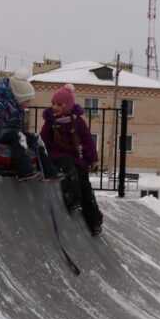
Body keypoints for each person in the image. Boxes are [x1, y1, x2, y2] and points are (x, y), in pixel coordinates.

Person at [41, 84, 104, 236]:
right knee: (69, 169)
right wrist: (41, 157)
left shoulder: (77, 122)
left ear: (68, 105)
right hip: (57, 157)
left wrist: (92, 159)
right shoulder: (50, 122)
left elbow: (88, 140)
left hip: (76, 158)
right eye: (53, 104)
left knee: (84, 182)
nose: (55, 107)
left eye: (59, 104)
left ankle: (94, 220)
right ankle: (73, 199)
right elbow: (43, 140)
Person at [0, 77, 57, 181]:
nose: (28, 104)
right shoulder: (1, 105)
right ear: (19, 98)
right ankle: (25, 172)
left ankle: (49, 172)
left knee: (36, 137)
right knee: (19, 136)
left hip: (11, 134)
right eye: (27, 101)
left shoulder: (18, 108)